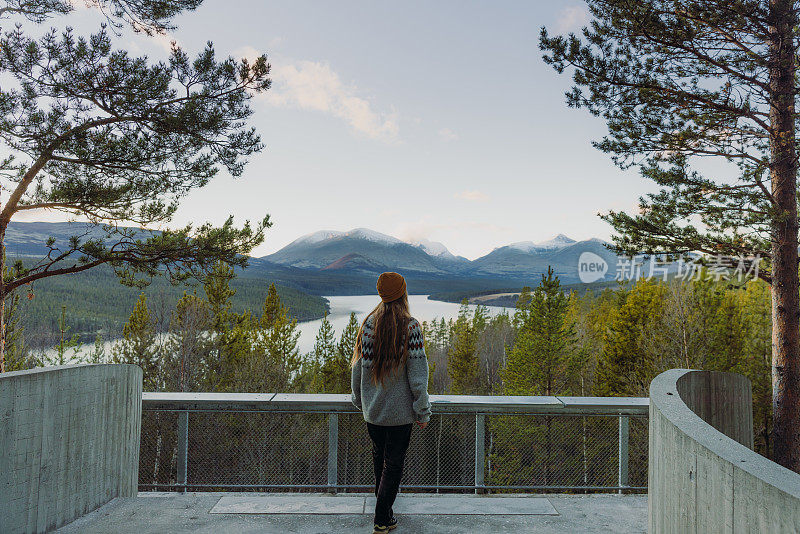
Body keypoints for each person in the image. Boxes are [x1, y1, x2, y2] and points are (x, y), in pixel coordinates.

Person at [351, 271, 432, 534]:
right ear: (403, 292)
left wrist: (358, 399)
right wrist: (422, 410)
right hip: (400, 415)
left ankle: (384, 512)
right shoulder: (411, 327)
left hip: (373, 412)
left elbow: (358, 367)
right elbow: (418, 375)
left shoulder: (368, 325)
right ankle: (382, 518)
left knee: (379, 460)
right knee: (393, 464)